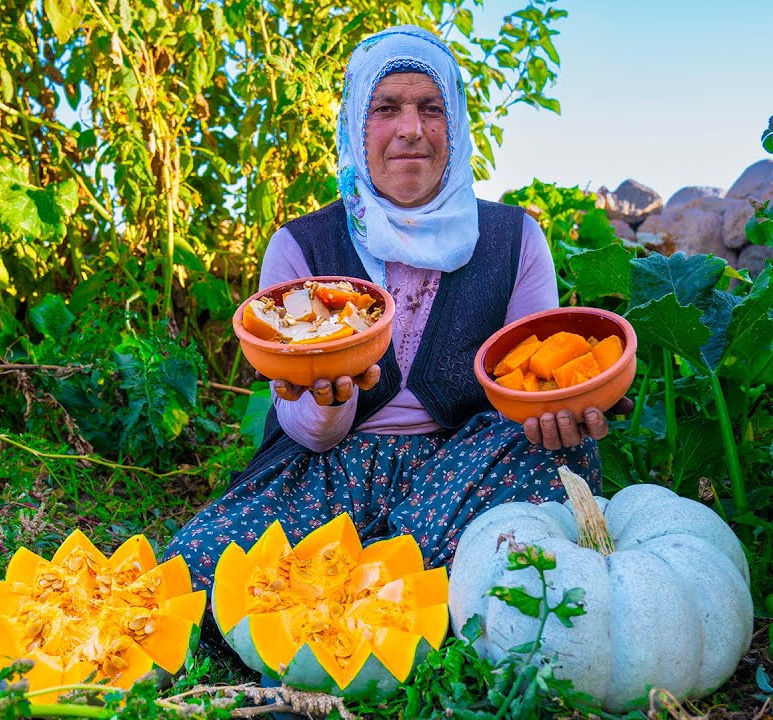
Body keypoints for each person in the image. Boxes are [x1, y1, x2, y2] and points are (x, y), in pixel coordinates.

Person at [165, 25, 613, 593]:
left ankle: (359, 583)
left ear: (455, 124)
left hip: (466, 471)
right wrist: (328, 400)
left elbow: (530, 385)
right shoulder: (301, 246)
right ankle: (423, 581)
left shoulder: (514, 238)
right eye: (386, 108)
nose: (411, 129)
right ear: (356, 124)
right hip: (327, 473)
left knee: (554, 459)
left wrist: (563, 406)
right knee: (195, 572)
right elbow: (309, 434)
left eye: (431, 108)